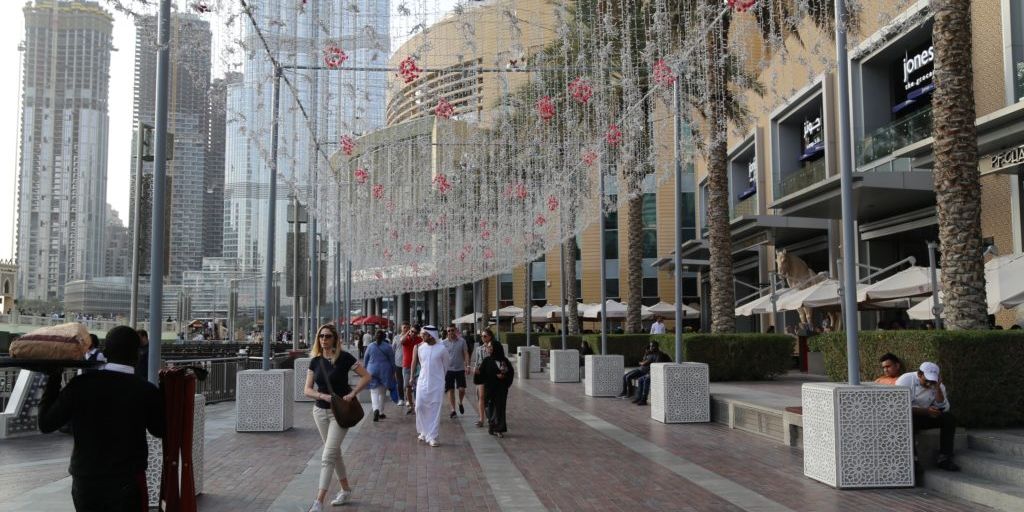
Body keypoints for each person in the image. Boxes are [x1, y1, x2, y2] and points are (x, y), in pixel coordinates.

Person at [39, 326, 165, 512]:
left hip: (86, 481)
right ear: (137, 355)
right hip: (126, 480)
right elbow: (159, 430)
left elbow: (46, 424)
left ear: (105, 352)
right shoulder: (146, 391)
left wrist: (54, 377)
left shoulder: (80, 385)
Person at [304, 323, 371, 511]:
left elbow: (366, 377)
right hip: (319, 412)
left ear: (335, 339)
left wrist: (353, 394)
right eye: (321, 336)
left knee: (327, 456)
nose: (323, 339)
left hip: (340, 413)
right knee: (334, 453)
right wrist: (321, 396)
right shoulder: (314, 361)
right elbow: (307, 390)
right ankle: (346, 489)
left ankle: (318, 501)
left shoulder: (344, 358)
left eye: (327, 336)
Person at [896, 362, 960, 472]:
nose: (929, 384)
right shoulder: (905, 380)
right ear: (919, 374)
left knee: (949, 418)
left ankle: (944, 458)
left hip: (926, 416)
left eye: (932, 381)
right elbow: (899, 408)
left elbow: (944, 407)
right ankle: (913, 462)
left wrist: (938, 388)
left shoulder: (937, 385)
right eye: (926, 381)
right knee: (907, 422)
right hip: (907, 417)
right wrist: (925, 411)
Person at [409, 325, 449, 447]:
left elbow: (446, 366)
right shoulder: (420, 348)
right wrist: (412, 377)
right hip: (422, 381)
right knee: (419, 406)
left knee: (435, 409)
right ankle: (423, 431)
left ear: (430, 335)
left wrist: (439, 378)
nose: (421, 336)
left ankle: (433, 436)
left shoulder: (442, 349)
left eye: (423, 334)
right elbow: (417, 364)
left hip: (437, 383)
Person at [479, 340, 514, 438]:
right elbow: (482, 374)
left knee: (500, 409)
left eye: (491, 347)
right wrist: (494, 376)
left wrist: (504, 377)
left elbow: (510, 373)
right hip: (490, 388)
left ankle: (499, 429)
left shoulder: (504, 361)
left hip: (501, 389)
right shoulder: (487, 360)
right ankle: (492, 424)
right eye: (488, 347)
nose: (489, 349)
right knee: (489, 408)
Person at [364, 330, 396, 422]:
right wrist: (393, 371)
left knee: (373, 392)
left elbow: (366, 359)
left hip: (372, 369)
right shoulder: (388, 347)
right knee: (382, 392)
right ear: (384, 337)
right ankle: (381, 412)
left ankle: (375, 409)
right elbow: (392, 361)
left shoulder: (370, 346)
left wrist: (366, 369)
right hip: (385, 370)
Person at [443, 326, 470, 419]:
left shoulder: (462, 341)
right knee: (450, 390)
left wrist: (467, 365)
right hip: (448, 370)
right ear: (447, 332)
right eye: (448, 330)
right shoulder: (443, 343)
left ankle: (460, 402)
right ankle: (453, 410)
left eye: (452, 330)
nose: (450, 332)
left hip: (460, 369)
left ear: (456, 331)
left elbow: (466, 353)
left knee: (462, 389)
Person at [470, 329, 494, 428]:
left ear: (490, 337)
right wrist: (475, 369)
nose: (483, 338)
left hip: (491, 375)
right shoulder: (479, 348)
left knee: (491, 397)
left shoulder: (494, 347)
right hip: (481, 375)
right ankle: (481, 419)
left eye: (485, 336)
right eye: (482, 336)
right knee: (481, 396)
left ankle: (491, 418)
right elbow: (477, 362)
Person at [401, 324, 422, 415]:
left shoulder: (419, 340)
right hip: (406, 366)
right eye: (412, 331)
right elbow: (401, 341)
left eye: (415, 332)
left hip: (417, 366)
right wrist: (407, 333)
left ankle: (417, 404)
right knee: (407, 386)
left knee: (417, 386)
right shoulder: (407, 339)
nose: (413, 333)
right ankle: (410, 405)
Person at [391, 322, 410, 406]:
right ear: (401, 328)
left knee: (407, 382)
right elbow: (393, 349)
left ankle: (407, 399)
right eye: (404, 327)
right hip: (398, 362)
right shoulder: (396, 337)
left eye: (407, 327)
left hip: (408, 363)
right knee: (399, 382)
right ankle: (401, 399)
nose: (405, 329)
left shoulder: (410, 337)